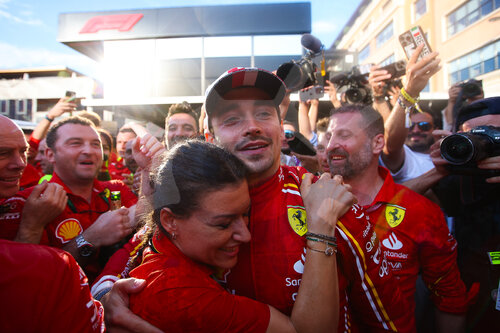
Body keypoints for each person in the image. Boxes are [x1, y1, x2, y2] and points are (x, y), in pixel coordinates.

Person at [94, 67, 408, 332]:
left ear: (281, 130)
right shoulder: (184, 202)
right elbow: (132, 254)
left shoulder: (328, 200)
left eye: (263, 113)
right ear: (209, 138)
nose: (253, 126)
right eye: (232, 119)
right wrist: (107, 294)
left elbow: (387, 312)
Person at [129, 139, 351, 332]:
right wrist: (322, 226)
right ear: (170, 221)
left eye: (246, 214)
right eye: (223, 224)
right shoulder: (180, 297)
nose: (246, 236)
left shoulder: (161, 238)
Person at [325, 101, 477, 332]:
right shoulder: (304, 201)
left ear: (377, 143)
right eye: (328, 136)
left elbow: (449, 299)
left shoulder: (420, 211)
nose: (331, 145)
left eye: (343, 135)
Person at [0, 116, 138, 282]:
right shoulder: (25, 203)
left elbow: (151, 213)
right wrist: (91, 238)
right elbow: (26, 280)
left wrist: (148, 168)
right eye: (76, 143)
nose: (89, 150)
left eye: (96, 144)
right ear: (50, 154)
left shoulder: (116, 189)